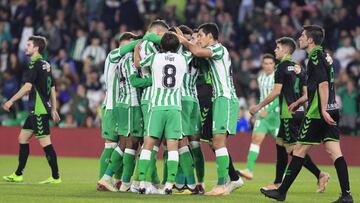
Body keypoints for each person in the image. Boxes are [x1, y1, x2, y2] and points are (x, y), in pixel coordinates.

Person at [260, 25, 353, 203]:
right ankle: (347, 195)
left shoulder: (315, 58)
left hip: (319, 112)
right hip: (332, 109)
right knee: (335, 152)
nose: (300, 38)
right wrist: (299, 101)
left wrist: (322, 109)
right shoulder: (324, 55)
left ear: (310, 40)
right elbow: (317, 87)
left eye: (302, 36)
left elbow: (323, 85)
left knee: (299, 150)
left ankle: (281, 192)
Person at [250, 37, 329, 192]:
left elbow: (276, 92)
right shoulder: (298, 67)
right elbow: (306, 93)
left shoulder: (281, 67)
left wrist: (258, 106)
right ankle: (278, 181)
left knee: (293, 150)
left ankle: (320, 174)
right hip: (298, 112)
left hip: (288, 114)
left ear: (285, 50)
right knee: (280, 145)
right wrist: (303, 110)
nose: (275, 50)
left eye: (277, 48)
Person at [177, 23, 240, 196]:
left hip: (225, 99)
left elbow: (197, 52)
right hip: (219, 99)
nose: (199, 39)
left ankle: (221, 185)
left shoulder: (219, 49)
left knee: (218, 142)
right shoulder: (213, 53)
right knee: (215, 142)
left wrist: (183, 40)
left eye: (201, 36)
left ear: (210, 36)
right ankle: (232, 180)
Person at [2, 36, 61, 184]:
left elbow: (27, 87)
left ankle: (55, 177)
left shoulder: (33, 64)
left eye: (28, 45)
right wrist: (53, 108)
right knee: (22, 138)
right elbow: (52, 87)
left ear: (36, 48)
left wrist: (11, 100)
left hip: (38, 109)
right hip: (38, 109)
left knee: (46, 142)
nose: (25, 48)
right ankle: (18, 174)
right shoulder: (46, 64)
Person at [137, 31, 190, 195]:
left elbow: (138, 64)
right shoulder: (183, 58)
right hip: (175, 107)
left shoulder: (155, 57)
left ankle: (142, 183)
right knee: (173, 147)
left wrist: (138, 47)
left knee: (148, 145)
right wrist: (181, 36)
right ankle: (169, 184)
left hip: (156, 106)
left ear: (161, 45)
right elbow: (189, 48)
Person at [239, 54, 281, 180]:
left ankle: (318, 173)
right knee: (256, 139)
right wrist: (258, 108)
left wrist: (268, 109)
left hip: (276, 116)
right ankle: (249, 170)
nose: (268, 66)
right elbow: (263, 96)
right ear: (262, 65)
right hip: (262, 115)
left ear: (274, 65)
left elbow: (279, 96)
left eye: (270, 63)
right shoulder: (261, 77)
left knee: (287, 147)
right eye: (265, 63)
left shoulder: (277, 76)